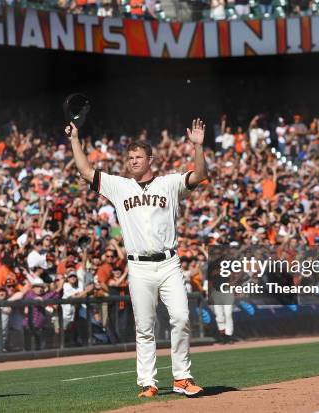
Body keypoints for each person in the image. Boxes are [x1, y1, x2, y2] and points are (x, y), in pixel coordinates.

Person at [67, 118, 208, 398]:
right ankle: (148, 382)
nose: (133, 161)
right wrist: (74, 138)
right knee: (145, 327)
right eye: (130, 157)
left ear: (150, 160)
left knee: (180, 317)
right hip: (139, 266)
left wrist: (198, 147)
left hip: (168, 263)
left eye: (138, 157)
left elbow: (200, 175)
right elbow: (85, 170)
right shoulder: (119, 186)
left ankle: (182, 378)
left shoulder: (169, 183)